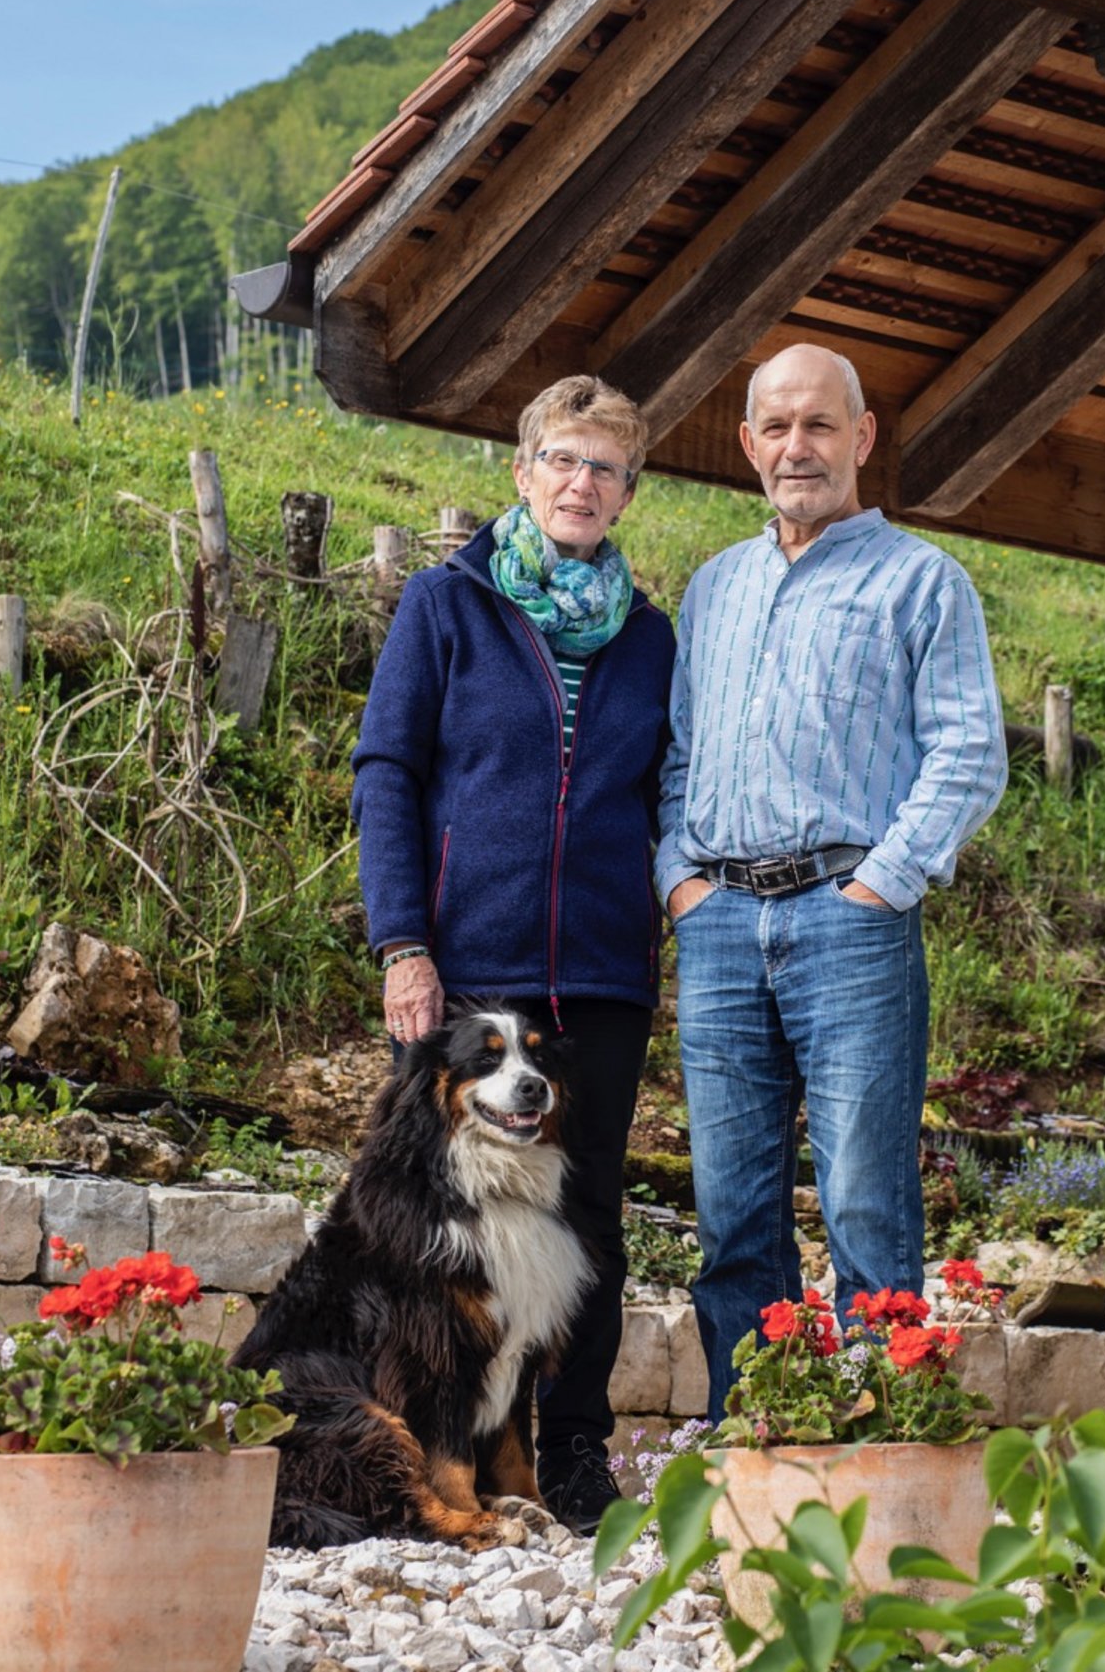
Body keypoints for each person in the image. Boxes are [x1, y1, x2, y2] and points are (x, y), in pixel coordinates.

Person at [656, 343, 1007, 1423]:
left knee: (863, 1203)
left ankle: (875, 1442)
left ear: (859, 438)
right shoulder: (713, 587)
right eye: (775, 426)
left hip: (849, 919)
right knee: (732, 1213)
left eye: (818, 425)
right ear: (748, 443)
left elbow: (966, 752)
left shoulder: (921, 582)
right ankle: (747, 1437)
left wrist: (882, 885)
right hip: (716, 925)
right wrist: (679, 883)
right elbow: (675, 758)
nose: (795, 446)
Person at [351, 374, 675, 1531]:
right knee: (431, 1218)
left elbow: (660, 791)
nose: (581, 484)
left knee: (583, 1217)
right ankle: (415, 1450)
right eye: (563, 461)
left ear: (627, 493)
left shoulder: (648, 637)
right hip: (465, 970)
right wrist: (403, 945)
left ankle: (571, 1456)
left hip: (597, 973)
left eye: (605, 469)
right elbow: (386, 772)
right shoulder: (447, 605)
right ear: (522, 473)